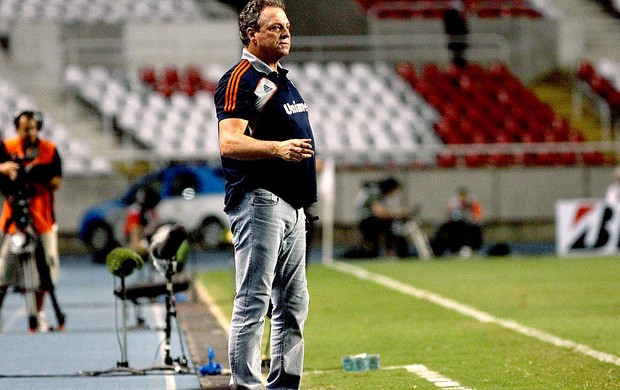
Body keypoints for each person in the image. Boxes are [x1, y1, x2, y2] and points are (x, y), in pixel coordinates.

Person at [214, 1, 317, 388]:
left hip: (292, 207)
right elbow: (229, 142)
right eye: (274, 27)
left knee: (293, 305)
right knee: (254, 298)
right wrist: (278, 149)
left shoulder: (281, 79)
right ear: (251, 34)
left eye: (286, 26)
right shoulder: (240, 78)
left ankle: (285, 384)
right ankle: (246, 385)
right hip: (261, 201)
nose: (285, 32)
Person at [0, 110, 62, 332]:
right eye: (24, 128)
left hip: (42, 219)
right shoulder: (6, 148)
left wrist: (35, 174)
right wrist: (4, 168)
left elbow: (56, 181)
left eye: (33, 127)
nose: (29, 132)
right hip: (13, 220)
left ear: (38, 128)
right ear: (17, 128)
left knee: (46, 271)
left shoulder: (50, 150)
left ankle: (38, 314)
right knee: (3, 271)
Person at [346, 177, 410, 258]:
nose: (392, 194)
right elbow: (378, 211)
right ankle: (390, 252)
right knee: (390, 226)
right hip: (366, 220)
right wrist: (397, 214)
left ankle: (386, 251)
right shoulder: (375, 191)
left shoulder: (378, 191)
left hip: (368, 219)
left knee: (375, 240)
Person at [431, 186, 483, 257]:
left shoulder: (473, 203)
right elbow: (449, 216)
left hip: (470, 226)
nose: (462, 199)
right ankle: (446, 250)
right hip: (456, 226)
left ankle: (472, 249)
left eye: (464, 196)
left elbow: (478, 217)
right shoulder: (454, 203)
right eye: (461, 196)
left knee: (474, 230)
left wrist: (470, 218)